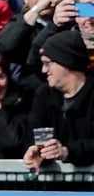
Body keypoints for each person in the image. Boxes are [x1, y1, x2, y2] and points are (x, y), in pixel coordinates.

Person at [24, 30, 94, 171]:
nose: (44, 70)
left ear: (66, 62)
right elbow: (33, 134)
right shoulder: (44, 95)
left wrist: (67, 152)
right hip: (55, 188)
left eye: (48, 63)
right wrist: (36, 151)